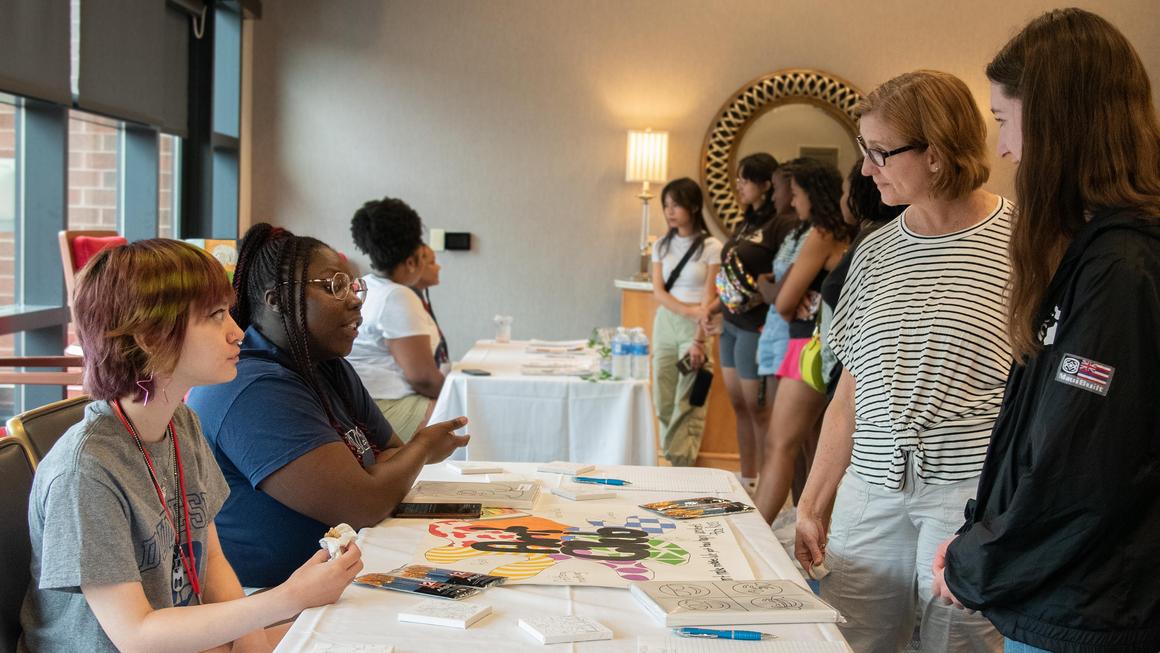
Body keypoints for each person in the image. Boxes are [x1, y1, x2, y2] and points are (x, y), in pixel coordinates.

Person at [931, 9, 1160, 653]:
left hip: (1090, 610)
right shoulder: (1096, 252)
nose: (1003, 148)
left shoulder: (1121, 266)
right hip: (1066, 595)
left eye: (1005, 121)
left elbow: (1083, 470)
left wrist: (974, 560)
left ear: (1060, 120)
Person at [20, 239, 363, 652]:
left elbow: (212, 561)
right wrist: (288, 599)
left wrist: (252, 644)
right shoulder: (86, 470)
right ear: (148, 336)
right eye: (217, 316)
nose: (237, 332)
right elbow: (136, 637)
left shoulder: (180, 422)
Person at [794, 70, 1012, 652]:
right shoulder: (874, 251)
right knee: (850, 639)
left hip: (970, 491)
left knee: (956, 644)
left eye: (880, 152)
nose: (867, 169)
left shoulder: (1023, 243)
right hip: (872, 483)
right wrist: (813, 504)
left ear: (936, 154)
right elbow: (848, 393)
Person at [187, 224, 468, 588]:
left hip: (341, 573)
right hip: (268, 598)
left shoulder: (326, 363)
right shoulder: (252, 387)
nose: (354, 299)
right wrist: (424, 448)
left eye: (354, 286)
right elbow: (363, 505)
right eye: (334, 285)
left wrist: (385, 472)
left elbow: (388, 456)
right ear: (275, 301)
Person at [752, 158, 853, 523]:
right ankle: (810, 538)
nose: (793, 203)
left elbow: (782, 302)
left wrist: (771, 288)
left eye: (796, 194)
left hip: (806, 347)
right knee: (808, 449)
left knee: (779, 445)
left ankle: (754, 534)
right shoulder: (837, 233)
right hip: (814, 346)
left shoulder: (822, 234)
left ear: (812, 193)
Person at [707, 153, 797, 493]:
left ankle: (766, 485)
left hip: (756, 326)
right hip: (729, 323)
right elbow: (733, 277)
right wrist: (714, 307)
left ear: (764, 184)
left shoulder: (780, 224)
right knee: (739, 405)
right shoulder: (746, 221)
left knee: (759, 409)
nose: (739, 186)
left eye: (745, 180)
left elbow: (782, 274)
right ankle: (747, 479)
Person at [346, 197, 449, 441]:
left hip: (362, 406)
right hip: (386, 409)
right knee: (475, 419)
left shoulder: (368, 286)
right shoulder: (397, 296)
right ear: (412, 261)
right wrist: (458, 392)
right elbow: (423, 379)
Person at [816, 158, 906, 396]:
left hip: (850, 367)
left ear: (860, 193)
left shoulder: (873, 236)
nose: (841, 200)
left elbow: (835, 289)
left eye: (845, 191)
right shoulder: (878, 233)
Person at [649, 177, 723, 466]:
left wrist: (698, 337)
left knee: (690, 397)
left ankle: (683, 464)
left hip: (698, 326)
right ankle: (671, 459)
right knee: (663, 395)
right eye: (666, 205)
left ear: (692, 206)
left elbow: (710, 294)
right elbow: (658, 291)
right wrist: (688, 311)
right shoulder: (661, 246)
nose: (670, 211)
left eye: (676, 204)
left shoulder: (711, 246)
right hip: (667, 321)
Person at [412, 244, 450, 373]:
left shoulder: (420, 298)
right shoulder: (407, 303)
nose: (438, 267)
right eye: (432, 262)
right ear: (412, 265)